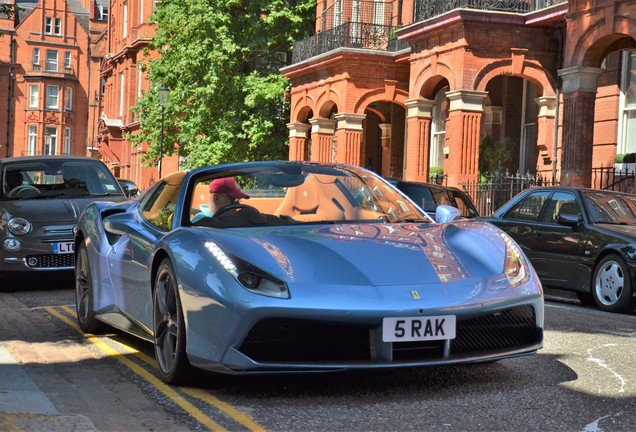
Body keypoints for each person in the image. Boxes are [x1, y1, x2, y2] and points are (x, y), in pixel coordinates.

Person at [192, 177, 284, 227]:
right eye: (233, 200)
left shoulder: (236, 220)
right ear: (216, 199)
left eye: (239, 200)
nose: (238, 205)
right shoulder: (199, 221)